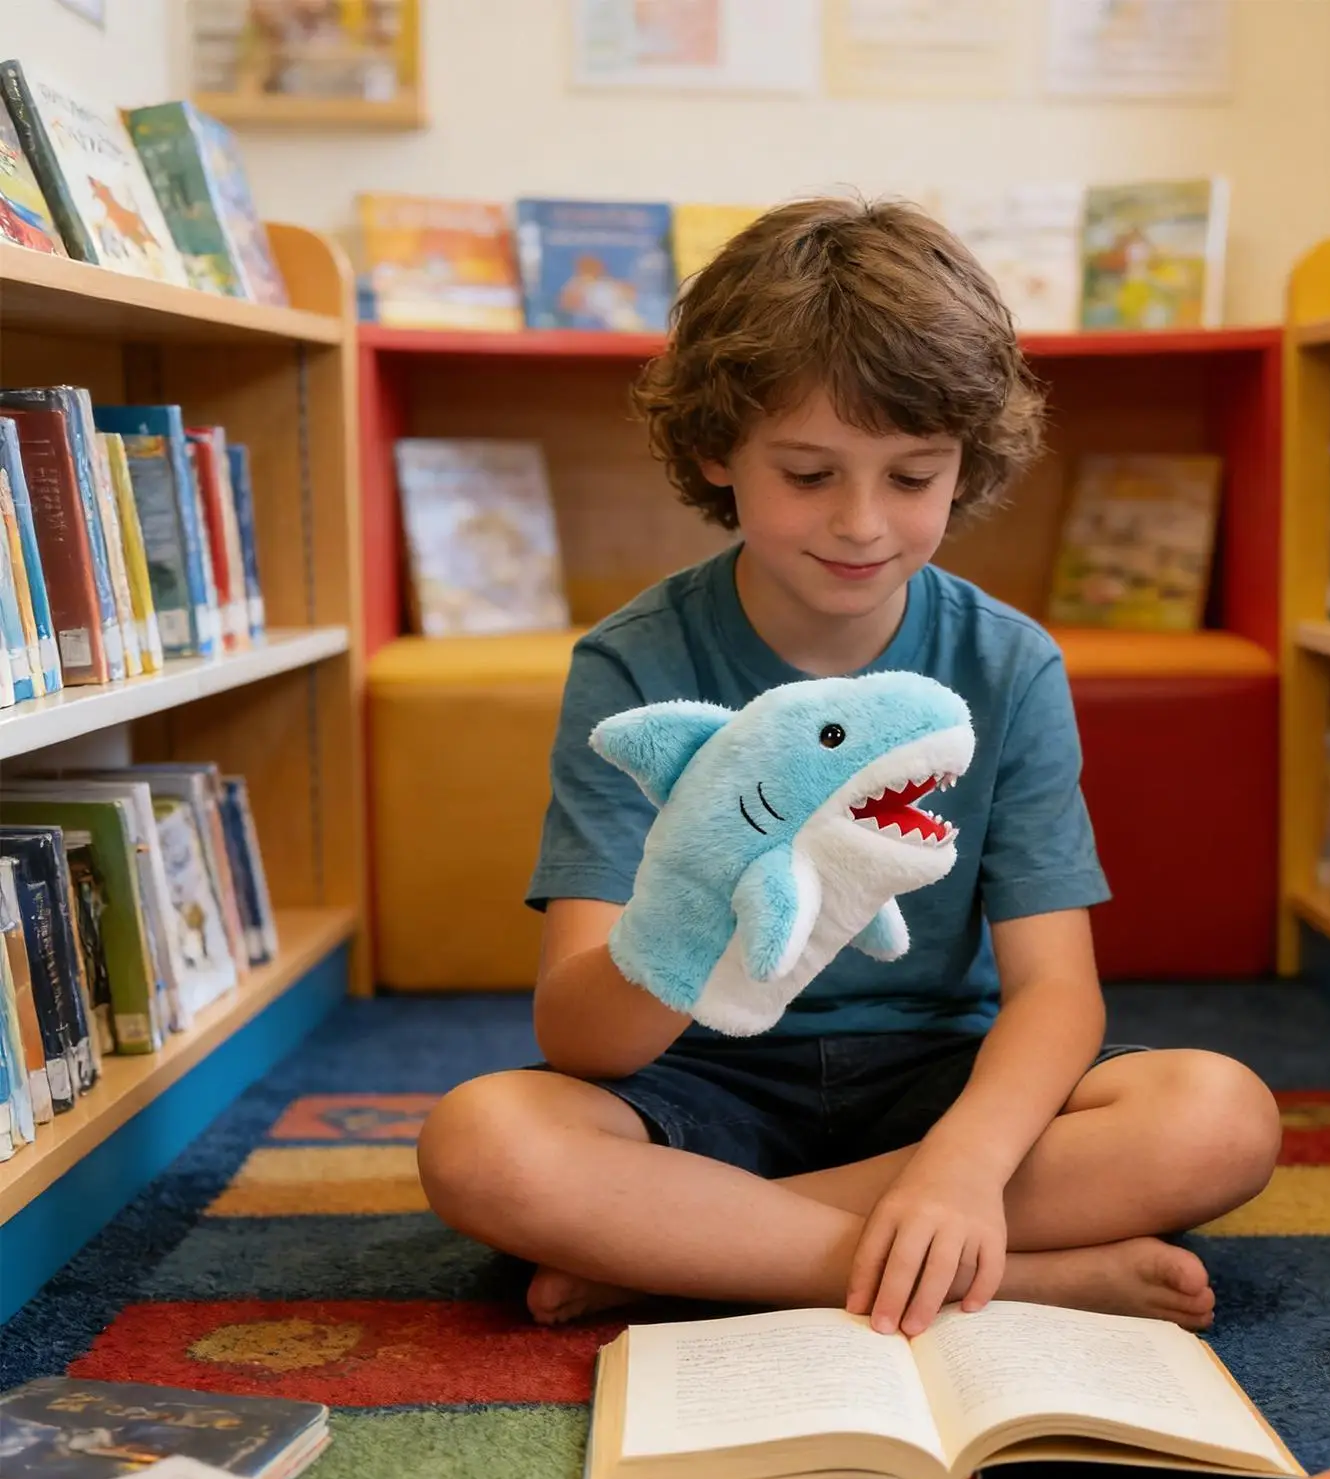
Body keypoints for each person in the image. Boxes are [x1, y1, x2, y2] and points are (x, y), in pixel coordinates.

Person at [417, 196, 1282, 1340]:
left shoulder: (1005, 660)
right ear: (716, 449)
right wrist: (691, 897)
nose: (863, 523)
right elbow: (582, 1037)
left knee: (1219, 1115)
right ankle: (1010, 1273)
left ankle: (696, 1250)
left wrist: (963, 1166)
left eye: (912, 476)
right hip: (695, 1081)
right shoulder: (634, 663)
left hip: (938, 1077)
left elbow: (1055, 991)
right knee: (482, 1144)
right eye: (811, 474)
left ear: (965, 462)